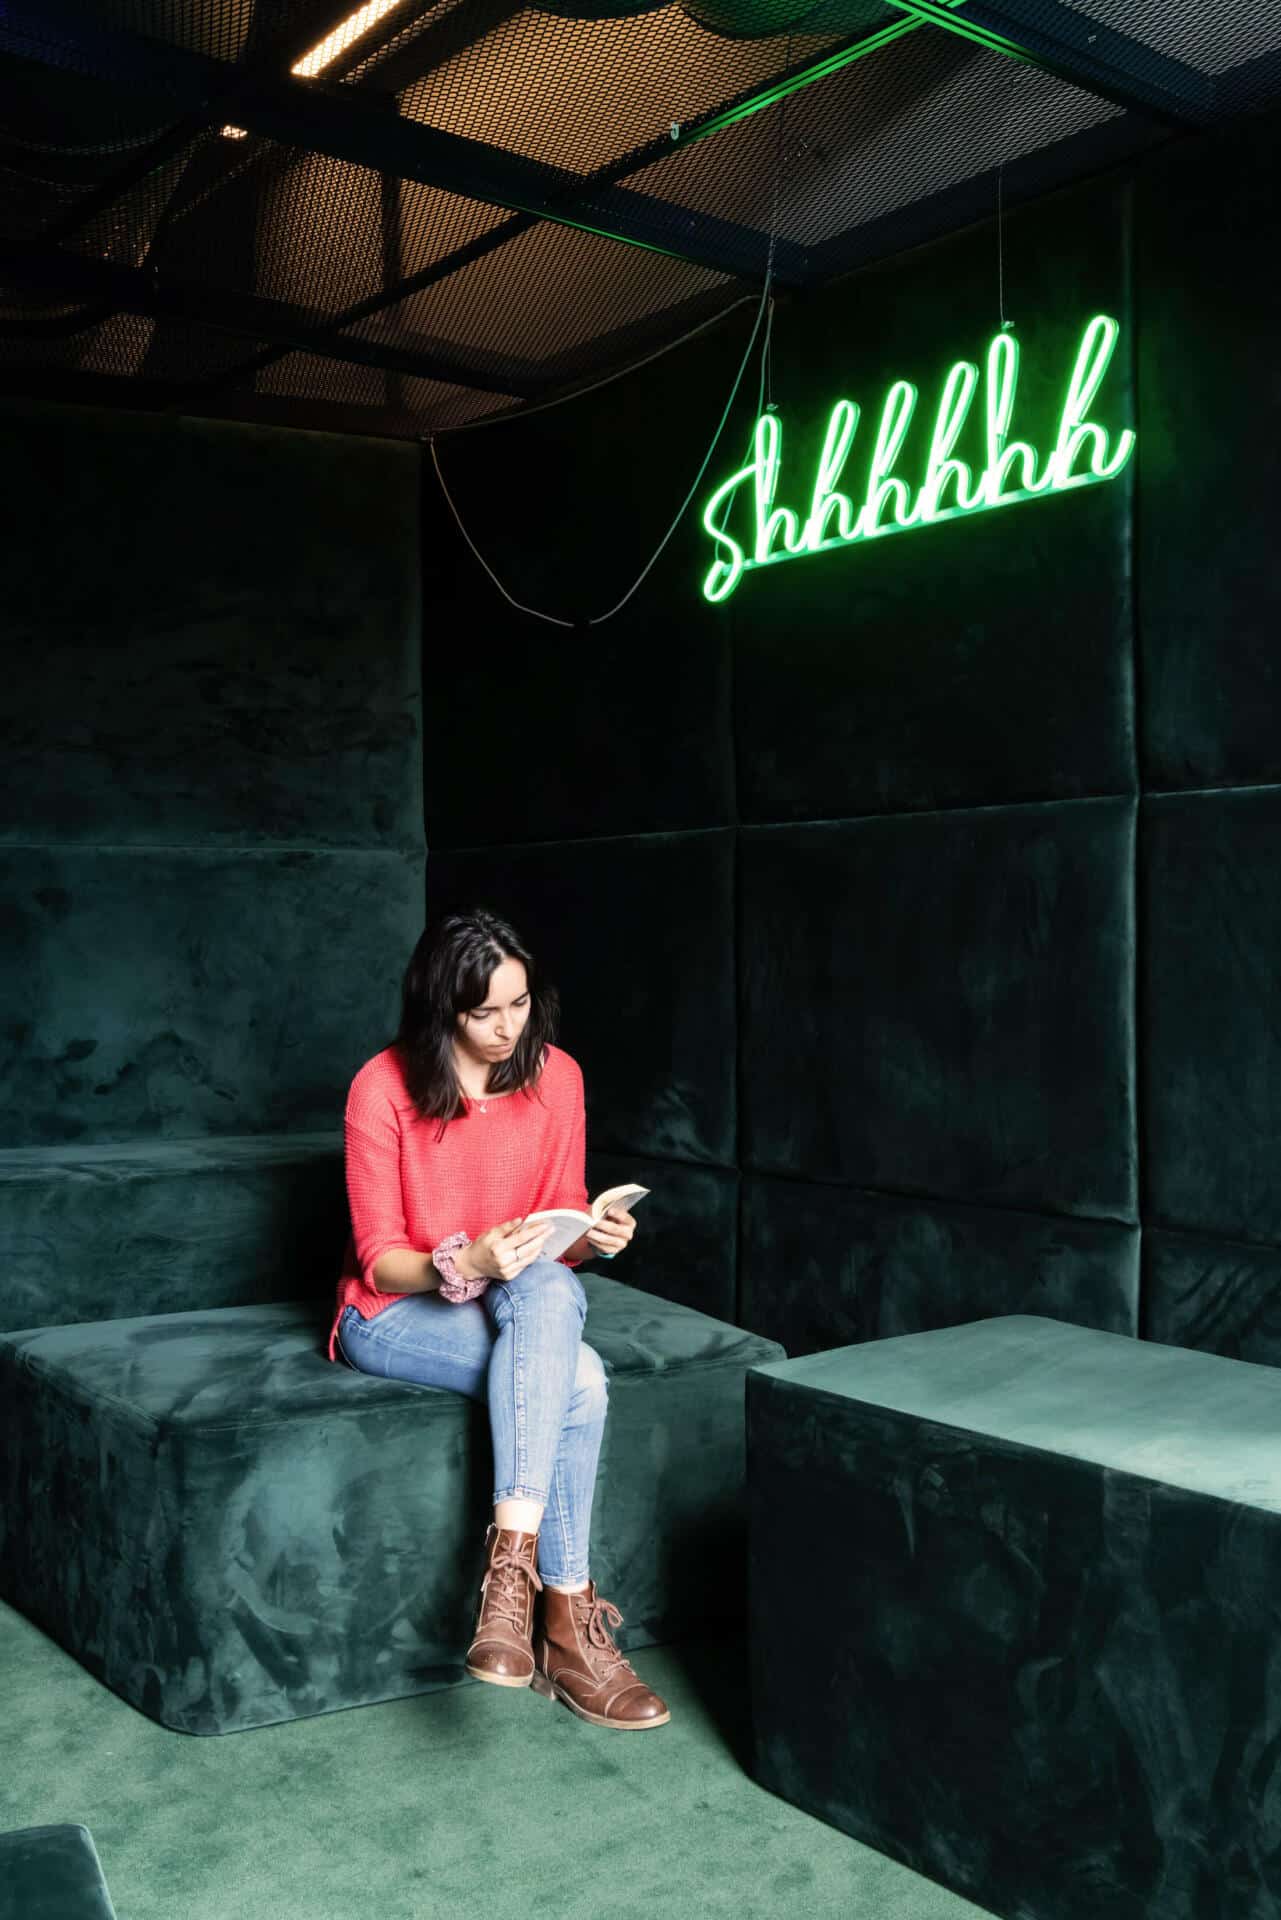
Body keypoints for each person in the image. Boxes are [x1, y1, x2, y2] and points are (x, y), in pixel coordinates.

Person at [326, 905, 670, 1731]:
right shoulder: (382, 1087)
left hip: (520, 1298)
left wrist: (595, 1236)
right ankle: (567, 1615)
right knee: (579, 1380)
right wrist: (466, 1261)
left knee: (555, 1302)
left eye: (518, 1005)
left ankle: (512, 1581)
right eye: (483, 1012)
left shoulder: (559, 1078)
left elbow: (550, 1241)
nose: (505, 1028)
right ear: (440, 1007)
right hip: (396, 1310)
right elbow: (378, 1257)